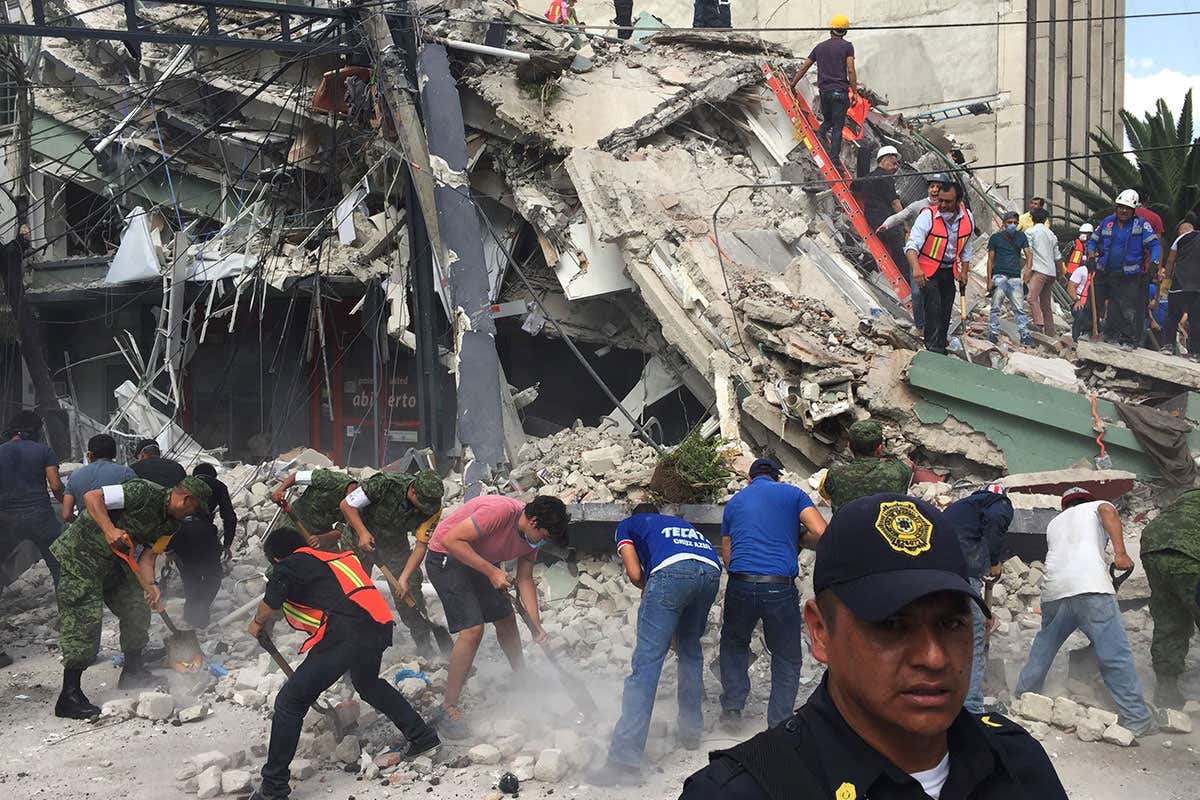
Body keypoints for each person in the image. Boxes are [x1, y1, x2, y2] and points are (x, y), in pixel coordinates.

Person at [681, 494, 1067, 800]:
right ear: (820, 633)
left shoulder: (1017, 762)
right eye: (892, 625)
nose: (933, 657)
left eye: (951, 623)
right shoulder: (740, 792)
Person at [247, 527, 439, 800]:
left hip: (345, 634)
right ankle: (423, 738)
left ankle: (273, 788)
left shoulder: (289, 564)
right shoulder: (330, 559)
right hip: (376, 626)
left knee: (290, 702)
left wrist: (256, 624)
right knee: (368, 683)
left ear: (276, 558)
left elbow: (272, 599)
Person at [51, 476, 211, 719]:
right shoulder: (142, 491)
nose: (191, 515)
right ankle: (69, 695)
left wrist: (151, 585)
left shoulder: (171, 526)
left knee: (137, 605)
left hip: (115, 561)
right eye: (194, 509)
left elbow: (149, 557)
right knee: (84, 619)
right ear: (187, 500)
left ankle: (132, 671)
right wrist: (109, 529)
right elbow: (92, 497)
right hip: (81, 556)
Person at [587, 504, 722, 786]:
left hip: (672, 573)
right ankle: (690, 733)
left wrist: (656, 598)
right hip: (710, 571)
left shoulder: (628, 524)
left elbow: (636, 574)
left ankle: (624, 760)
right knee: (690, 652)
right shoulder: (678, 526)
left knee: (646, 664)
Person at [423, 494, 569, 738]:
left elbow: (524, 579)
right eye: (542, 536)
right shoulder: (500, 512)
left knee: (506, 619)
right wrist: (492, 572)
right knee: (473, 630)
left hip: (480, 559)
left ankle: (521, 677)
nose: (541, 543)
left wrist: (536, 627)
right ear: (533, 521)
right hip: (447, 556)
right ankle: (448, 706)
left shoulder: (532, 539)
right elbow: (451, 540)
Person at [1014, 487, 1156, 737]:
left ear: (1064, 506)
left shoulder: (1055, 523)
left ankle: (1023, 697)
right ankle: (1135, 718)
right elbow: (1106, 510)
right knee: (1114, 653)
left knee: (1044, 647)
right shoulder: (1097, 505)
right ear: (1086, 500)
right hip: (1091, 589)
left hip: (1054, 591)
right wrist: (1121, 553)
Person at [719, 457, 827, 730]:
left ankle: (732, 709)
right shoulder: (793, 494)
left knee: (734, 644)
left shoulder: (734, 503)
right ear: (778, 477)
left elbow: (728, 558)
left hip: (740, 583)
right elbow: (821, 531)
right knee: (787, 655)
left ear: (750, 479)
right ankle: (778, 723)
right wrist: (798, 538)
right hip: (778, 585)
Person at [337, 470, 445, 656]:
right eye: (423, 505)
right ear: (413, 492)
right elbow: (346, 505)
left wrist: (403, 579)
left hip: (394, 544)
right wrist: (363, 533)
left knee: (409, 593)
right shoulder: (385, 484)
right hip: (358, 536)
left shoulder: (433, 508)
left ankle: (425, 648)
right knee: (354, 591)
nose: (425, 510)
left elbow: (421, 546)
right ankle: (347, 647)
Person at [941, 484, 1013, 714]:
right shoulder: (998, 503)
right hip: (965, 574)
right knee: (972, 637)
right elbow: (995, 521)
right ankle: (971, 706)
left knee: (946, 633)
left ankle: (943, 693)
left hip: (937, 574)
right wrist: (993, 560)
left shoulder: (960, 509)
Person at [1137, 488, 1200, 709]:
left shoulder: (1188, 495)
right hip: (1191, 553)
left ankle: (1166, 692)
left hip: (1153, 547)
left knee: (1170, 621)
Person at [906, 181, 975, 354]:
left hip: (948, 270)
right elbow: (912, 245)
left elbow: (966, 248)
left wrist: (964, 271)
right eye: (940, 200)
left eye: (948, 202)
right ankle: (932, 347)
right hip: (927, 270)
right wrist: (916, 269)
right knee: (933, 305)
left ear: (958, 201)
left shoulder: (967, 219)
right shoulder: (927, 216)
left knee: (946, 307)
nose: (942, 205)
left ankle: (941, 342)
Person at [879, 172, 953, 332]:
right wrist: (886, 224)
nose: (934, 190)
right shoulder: (918, 206)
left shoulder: (950, 210)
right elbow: (900, 216)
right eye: (932, 187)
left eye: (938, 187)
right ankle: (920, 326)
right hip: (917, 256)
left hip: (939, 258)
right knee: (917, 293)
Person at [1087, 189, 1162, 347]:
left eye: (1127, 208)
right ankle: (1088, 332)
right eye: (1121, 207)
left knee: (1127, 308)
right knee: (1094, 302)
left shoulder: (1141, 225)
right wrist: (1091, 256)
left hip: (1129, 276)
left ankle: (1128, 340)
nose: (1123, 210)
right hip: (1104, 271)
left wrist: (1154, 263)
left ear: (1134, 210)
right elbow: (1093, 241)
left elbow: (1155, 245)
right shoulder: (1107, 221)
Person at [167, 463, 238, 628]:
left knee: (189, 573)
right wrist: (227, 543)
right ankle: (201, 613)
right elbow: (229, 516)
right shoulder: (218, 486)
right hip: (204, 534)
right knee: (213, 573)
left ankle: (191, 614)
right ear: (214, 476)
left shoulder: (181, 485)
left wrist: (169, 549)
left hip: (179, 534)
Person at [0, 411, 64, 587]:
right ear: (33, 430)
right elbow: (56, 486)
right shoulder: (44, 451)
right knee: (58, 564)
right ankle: (68, 611)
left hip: (6, 519)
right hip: (40, 517)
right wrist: (66, 503)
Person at [791, 15, 856, 167]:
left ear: (830, 29)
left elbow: (804, 67)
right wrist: (855, 92)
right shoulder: (847, 46)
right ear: (845, 31)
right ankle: (834, 159)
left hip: (825, 92)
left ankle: (820, 133)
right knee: (838, 127)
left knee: (828, 120)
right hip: (840, 92)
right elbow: (851, 70)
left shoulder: (819, 47)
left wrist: (793, 84)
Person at [819, 420, 912, 513]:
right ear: (879, 448)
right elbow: (908, 467)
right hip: (884, 525)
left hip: (846, 526)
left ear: (849, 446)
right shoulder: (900, 470)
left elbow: (824, 494)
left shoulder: (834, 473)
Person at [853, 146, 908, 285]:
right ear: (884, 160)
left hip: (873, 219)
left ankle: (866, 266)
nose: (896, 167)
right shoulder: (886, 178)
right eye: (894, 163)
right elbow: (895, 203)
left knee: (888, 245)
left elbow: (854, 187)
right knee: (899, 246)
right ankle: (907, 278)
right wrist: (906, 224)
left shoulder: (869, 177)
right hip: (884, 220)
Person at [61, 433, 136, 521]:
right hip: (119, 531)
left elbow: (66, 514)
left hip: (87, 531)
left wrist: (81, 523)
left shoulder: (75, 475)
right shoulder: (126, 473)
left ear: (90, 455)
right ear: (114, 454)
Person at [985, 210, 1033, 345]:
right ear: (1004, 223)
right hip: (999, 275)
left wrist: (1028, 271)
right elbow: (990, 260)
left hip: (1015, 276)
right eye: (1010, 222)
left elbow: (1029, 254)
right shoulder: (995, 238)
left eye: (1015, 223)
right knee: (995, 306)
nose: (1012, 225)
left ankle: (1025, 334)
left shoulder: (1021, 236)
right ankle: (993, 333)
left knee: (1019, 308)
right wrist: (989, 280)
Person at [271, 467, 358, 539]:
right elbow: (296, 477)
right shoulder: (332, 479)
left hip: (319, 534)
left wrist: (321, 538)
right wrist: (280, 490)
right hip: (294, 522)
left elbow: (342, 529)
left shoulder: (357, 507)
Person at [1163, 213, 1200, 356]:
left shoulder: (1180, 239)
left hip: (1179, 283)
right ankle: (1195, 353)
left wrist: (1166, 282)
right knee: (1196, 319)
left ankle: (1167, 346)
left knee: (1172, 315)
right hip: (1197, 286)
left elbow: (1171, 261)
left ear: (1182, 231)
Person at [1024, 207, 1065, 336]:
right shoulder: (1051, 234)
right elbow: (1058, 257)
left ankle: (1039, 324)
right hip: (1051, 273)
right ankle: (1050, 332)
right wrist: (1061, 274)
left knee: (1031, 298)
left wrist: (1025, 270)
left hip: (1039, 271)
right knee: (1046, 305)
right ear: (1046, 219)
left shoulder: (1030, 232)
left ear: (1031, 219)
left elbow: (1026, 253)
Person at [1068, 253, 1093, 342]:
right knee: (1080, 315)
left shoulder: (1100, 274)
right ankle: (1075, 339)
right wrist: (1076, 301)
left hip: (1092, 303)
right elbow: (1071, 287)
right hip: (1079, 301)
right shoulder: (1081, 270)